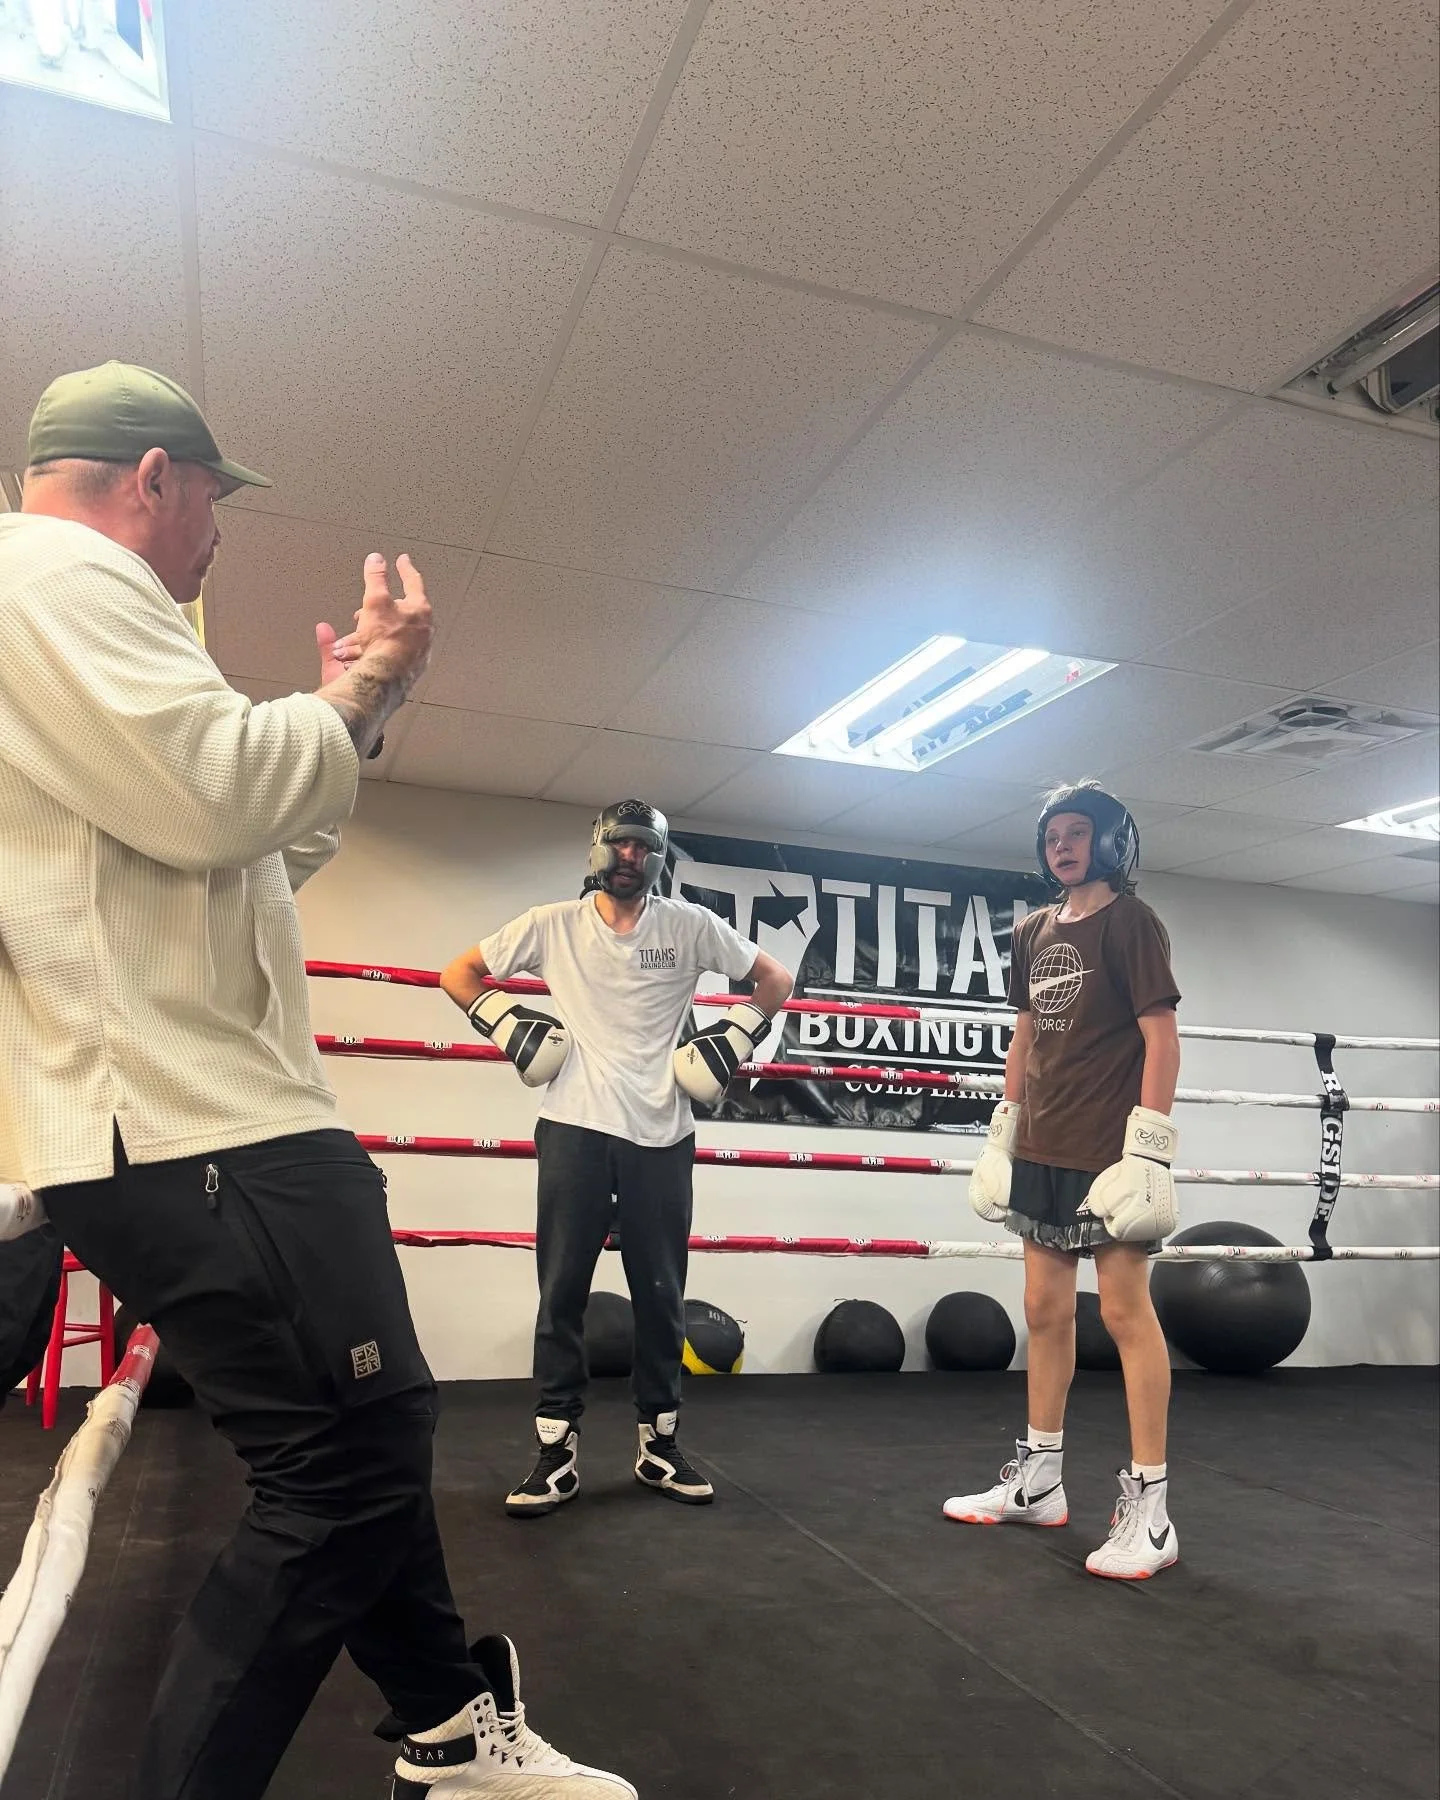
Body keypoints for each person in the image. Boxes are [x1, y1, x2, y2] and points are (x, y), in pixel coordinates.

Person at [0, 362, 636, 1799]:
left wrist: (352, 725)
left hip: (176, 1121)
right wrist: (368, 677)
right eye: (215, 497)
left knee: (362, 1433)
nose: (219, 531)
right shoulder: (59, 578)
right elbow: (231, 787)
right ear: (155, 477)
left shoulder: (58, 618)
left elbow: (250, 846)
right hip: (199, 1123)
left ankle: (448, 1727)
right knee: (347, 1467)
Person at [440, 800, 794, 1517]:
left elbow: (775, 981)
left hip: (662, 1133)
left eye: (645, 847)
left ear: (658, 859)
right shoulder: (551, 924)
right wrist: (509, 1025)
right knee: (561, 1292)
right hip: (574, 1126)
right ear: (600, 848)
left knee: (660, 1295)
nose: (632, 857)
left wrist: (731, 1038)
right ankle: (555, 1454)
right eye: (622, 843)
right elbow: (459, 974)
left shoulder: (690, 926)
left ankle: (659, 1446)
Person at [942, 780, 1183, 1580]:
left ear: (1111, 843)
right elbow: (1024, 1035)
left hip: (1108, 1153)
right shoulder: (1034, 930)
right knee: (1043, 1310)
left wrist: (1148, 1150)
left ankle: (1151, 1511)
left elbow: (1161, 1039)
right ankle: (1039, 1481)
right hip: (1042, 1146)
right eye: (1054, 836)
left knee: (1122, 1312)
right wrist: (1002, 1132)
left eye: (1079, 834)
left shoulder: (1133, 924)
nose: (1063, 847)